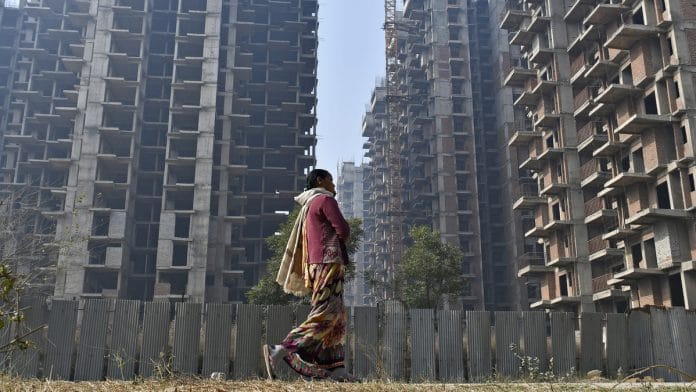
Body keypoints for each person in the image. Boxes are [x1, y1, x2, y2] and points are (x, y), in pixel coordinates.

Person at [263, 169, 356, 381]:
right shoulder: (325, 200)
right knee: (326, 313)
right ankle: (280, 349)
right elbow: (343, 230)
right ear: (320, 180)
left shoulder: (308, 205)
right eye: (331, 180)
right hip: (328, 263)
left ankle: (335, 369)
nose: (334, 185)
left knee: (337, 317)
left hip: (315, 265)